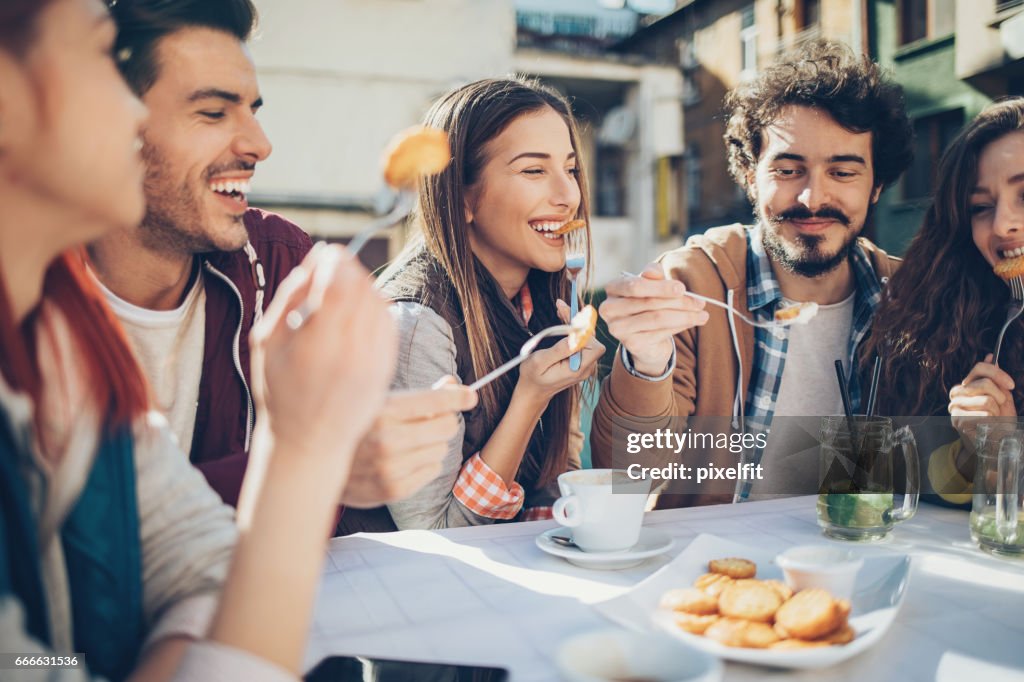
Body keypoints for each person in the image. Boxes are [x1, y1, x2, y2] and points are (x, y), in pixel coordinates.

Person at [0, 0, 398, 678]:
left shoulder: (62, 339)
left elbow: (200, 559)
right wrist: (302, 450)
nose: (261, 145)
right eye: (101, 58)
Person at [89, 0, 474, 529]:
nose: (259, 145)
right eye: (213, 112)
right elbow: (56, 534)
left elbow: (320, 513)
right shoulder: (29, 294)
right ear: (108, 122)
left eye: (253, 110)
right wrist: (303, 462)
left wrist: (352, 451)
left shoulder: (281, 265)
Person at [591, 40, 913, 506]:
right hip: (714, 567)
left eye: (843, 173)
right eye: (787, 169)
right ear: (749, 174)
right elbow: (628, 473)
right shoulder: (690, 285)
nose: (811, 199)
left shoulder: (910, 300)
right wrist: (647, 361)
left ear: (877, 185)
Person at [375, 77, 606, 528]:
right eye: (533, 171)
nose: (568, 196)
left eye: (571, 169)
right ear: (461, 196)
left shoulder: (542, 301)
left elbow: (555, 484)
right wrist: (530, 398)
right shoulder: (415, 323)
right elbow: (434, 533)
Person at [864, 97, 1024, 506]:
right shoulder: (961, 327)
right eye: (981, 207)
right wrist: (984, 451)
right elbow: (916, 485)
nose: (1004, 223)